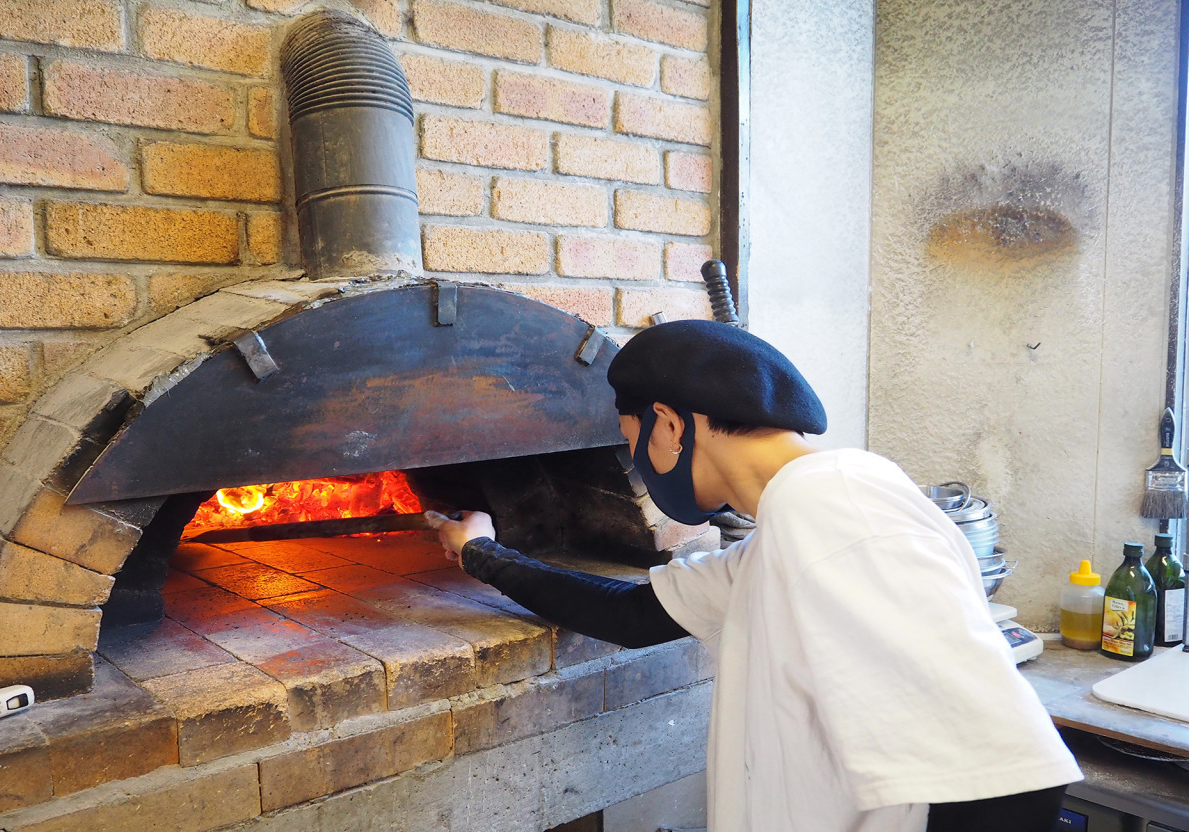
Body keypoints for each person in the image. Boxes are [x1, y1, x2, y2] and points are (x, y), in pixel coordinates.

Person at [428, 319, 1081, 832]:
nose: (634, 462)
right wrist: (480, 553)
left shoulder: (833, 507)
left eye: (631, 441)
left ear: (671, 425)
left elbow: (1010, 771)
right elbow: (631, 615)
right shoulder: (791, 528)